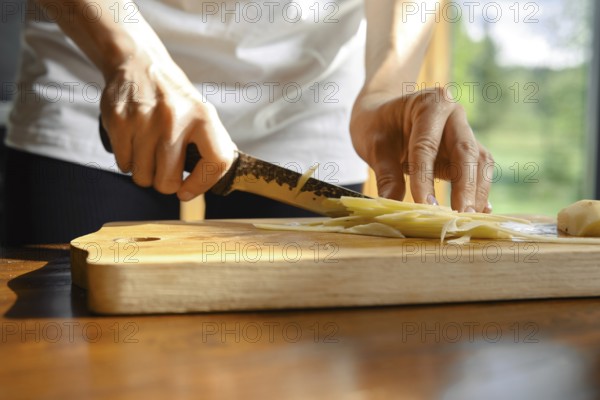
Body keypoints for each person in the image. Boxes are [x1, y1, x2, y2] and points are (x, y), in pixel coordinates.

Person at [2, 0, 493, 245]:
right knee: (67, 325)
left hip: (312, 85)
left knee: (302, 344)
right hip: (96, 55)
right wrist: (125, 52)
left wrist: (387, 83)